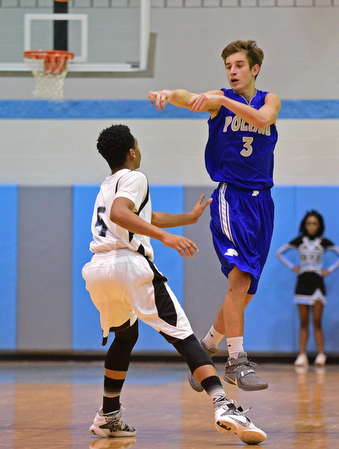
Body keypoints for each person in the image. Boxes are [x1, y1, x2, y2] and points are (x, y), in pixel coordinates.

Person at [82, 124, 266, 445]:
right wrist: (166, 237)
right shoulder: (135, 177)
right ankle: (224, 406)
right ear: (132, 152)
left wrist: (188, 218)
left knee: (126, 336)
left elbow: (144, 216)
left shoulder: (107, 185)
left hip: (98, 271)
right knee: (183, 336)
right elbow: (122, 214)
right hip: (128, 267)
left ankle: (108, 416)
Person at [148, 39, 281, 392]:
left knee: (245, 290)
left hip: (262, 203)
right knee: (238, 282)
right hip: (231, 199)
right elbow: (188, 97)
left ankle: (205, 348)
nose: (233, 71)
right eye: (228, 67)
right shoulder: (219, 99)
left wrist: (224, 101)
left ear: (254, 69)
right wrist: (168, 92)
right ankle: (236, 360)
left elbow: (263, 119)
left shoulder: (269, 100)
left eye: (239, 65)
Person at [276, 210, 339, 367]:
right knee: (304, 321)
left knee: (317, 321)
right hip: (302, 282)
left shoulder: (323, 242)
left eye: (315, 223)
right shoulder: (300, 241)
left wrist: (328, 270)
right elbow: (279, 253)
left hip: (317, 282)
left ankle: (321, 354)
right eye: (309, 223)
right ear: (305, 225)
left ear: (319, 226)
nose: (312, 226)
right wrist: (293, 267)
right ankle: (302, 354)